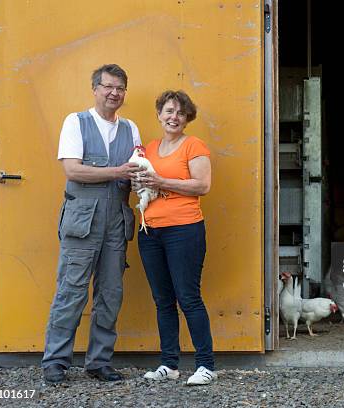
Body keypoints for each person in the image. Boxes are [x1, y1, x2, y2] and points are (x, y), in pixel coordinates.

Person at [42, 64, 142, 383]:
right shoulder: (76, 122)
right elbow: (73, 170)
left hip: (117, 221)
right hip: (82, 221)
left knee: (110, 293)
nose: (115, 93)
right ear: (95, 88)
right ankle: (56, 361)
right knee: (71, 291)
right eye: (109, 87)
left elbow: (136, 172)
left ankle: (99, 362)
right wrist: (118, 172)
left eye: (120, 88)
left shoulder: (131, 128)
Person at [135, 90, 216, 385]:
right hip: (150, 231)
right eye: (169, 111)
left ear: (187, 118)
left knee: (189, 298)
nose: (174, 117)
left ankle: (206, 365)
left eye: (180, 113)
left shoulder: (194, 145)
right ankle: (169, 364)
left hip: (184, 230)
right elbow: (144, 181)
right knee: (163, 300)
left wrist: (160, 181)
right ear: (159, 114)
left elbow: (202, 186)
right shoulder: (151, 148)